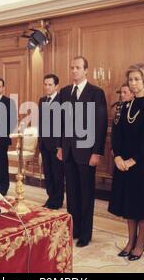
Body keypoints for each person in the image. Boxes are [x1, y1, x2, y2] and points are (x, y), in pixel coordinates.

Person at [108, 63, 144, 261]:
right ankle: (130, 241)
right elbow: (117, 134)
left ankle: (140, 243)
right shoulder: (124, 105)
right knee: (129, 205)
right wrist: (118, 157)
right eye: (130, 79)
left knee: (143, 206)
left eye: (137, 79)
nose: (133, 83)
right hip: (124, 164)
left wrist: (133, 160)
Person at [57, 56, 108, 247]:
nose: (74, 71)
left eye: (78, 67)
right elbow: (61, 123)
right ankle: (74, 229)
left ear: (86, 70)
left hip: (87, 152)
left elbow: (100, 124)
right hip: (69, 150)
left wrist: (97, 152)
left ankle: (86, 233)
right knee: (71, 193)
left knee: (86, 194)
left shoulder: (96, 92)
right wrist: (60, 146)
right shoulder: (64, 92)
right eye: (72, 67)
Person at [38, 73, 64, 209]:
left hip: (56, 145)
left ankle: (57, 200)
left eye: (50, 85)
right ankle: (50, 197)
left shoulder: (61, 100)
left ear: (56, 86)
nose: (47, 87)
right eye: (45, 84)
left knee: (57, 174)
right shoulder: (42, 100)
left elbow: (63, 125)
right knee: (48, 173)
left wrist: (61, 145)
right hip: (44, 144)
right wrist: (40, 142)